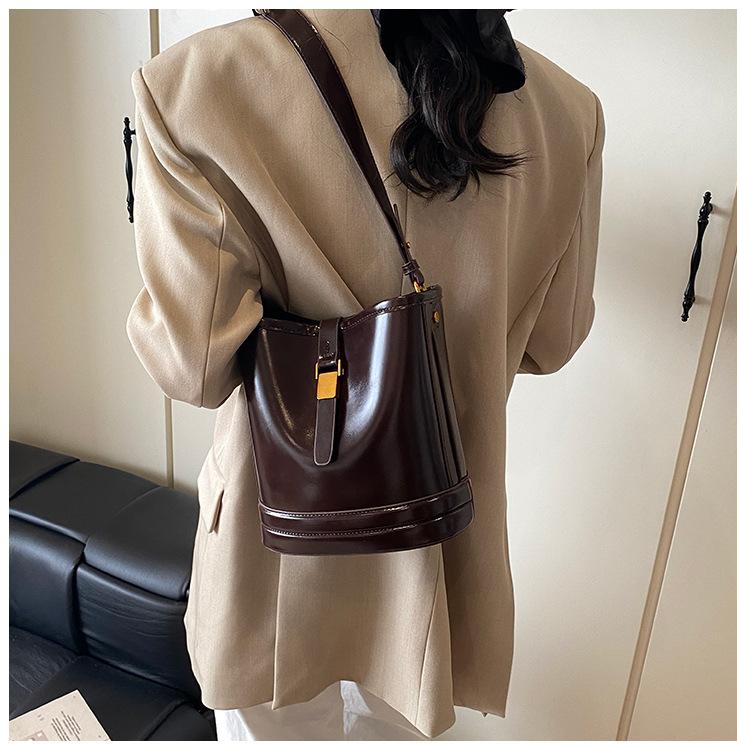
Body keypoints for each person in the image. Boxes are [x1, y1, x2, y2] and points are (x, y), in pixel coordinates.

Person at [126, 8, 603, 740]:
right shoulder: (569, 111)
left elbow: (194, 368)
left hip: (277, 534)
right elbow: (553, 342)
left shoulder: (197, 83)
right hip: (438, 537)